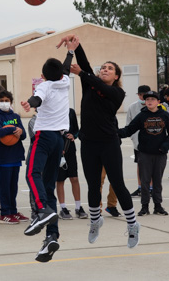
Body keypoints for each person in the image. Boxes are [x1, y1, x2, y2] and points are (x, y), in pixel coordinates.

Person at [64, 35, 140, 249]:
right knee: (93, 186)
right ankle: (95, 221)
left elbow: (92, 78)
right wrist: (77, 47)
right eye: (103, 67)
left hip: (109, 143)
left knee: (117, 183)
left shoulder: (117, 92)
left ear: (116, 76)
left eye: (109, 69)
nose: (105, 70)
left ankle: (133, 225)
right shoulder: (89, 85)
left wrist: (83, 73)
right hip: (88, 143)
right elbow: (86, 67)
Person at [20, 37, 76, 263]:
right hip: (59, 140)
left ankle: (41, 211)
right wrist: (70, 51)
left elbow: (38, 98)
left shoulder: (44, 85)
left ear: (42, 76)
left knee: (31, 174)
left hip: (43, 137)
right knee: (48, 185)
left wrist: (29, 103)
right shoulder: (65, 82)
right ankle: (51, 236)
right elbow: (63, 69)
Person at [118, 91, 169, 217]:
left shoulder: (165, 115)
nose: (149, 101)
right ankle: (145, 207)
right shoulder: (141, 116)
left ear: (158, 102)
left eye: (152, 99)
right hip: (144, 153)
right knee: (145, 181)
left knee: (157, 181)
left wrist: (165, 146)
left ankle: (158, 206)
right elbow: (129, 129)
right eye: (147, 99)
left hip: (160, 154)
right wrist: (115, 132)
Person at [0, 90, 28, 224]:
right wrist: (12, 128)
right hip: (4, 157)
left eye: (7, 101)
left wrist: (20, 131)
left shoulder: (16, 116)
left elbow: (23, 135)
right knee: (5, 186)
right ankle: (4, 213)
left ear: (11, 102)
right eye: (2, 101)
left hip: (16, 155)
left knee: (13, 186)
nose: (4, 103)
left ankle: (13, 211)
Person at [57, 108, 88, 220]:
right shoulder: (52, 110)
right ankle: (63, 208)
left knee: (74, 178)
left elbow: (76, 129)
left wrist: (73, 135)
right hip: (57, 147)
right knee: (60, 179)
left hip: (70, 147)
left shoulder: (70, 111)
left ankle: (78, 207)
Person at [126, 85, 151, 197]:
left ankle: (151, 188)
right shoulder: (132, 107)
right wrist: (133, 137)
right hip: (138, 142)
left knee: (151, 166)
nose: (142, 97)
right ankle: (140, 187)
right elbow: (129, 124)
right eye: (141, 95)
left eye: (145, 95)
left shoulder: (155, 106)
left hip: (152, 142)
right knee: (140, 164)